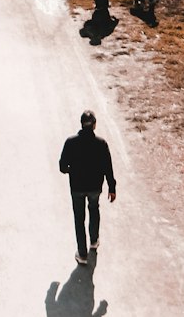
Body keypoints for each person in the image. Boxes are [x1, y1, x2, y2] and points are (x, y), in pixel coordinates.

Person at [59, 111, 116, 264]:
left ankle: (82, 254)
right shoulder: (101, 144)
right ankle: (94, 240)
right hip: (95, 187)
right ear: (95, 124)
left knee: (79, 218)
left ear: (81, 123)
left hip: (77, 187)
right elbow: (108, 167)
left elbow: (62, 167)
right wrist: (112, 187)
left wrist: (73, 170)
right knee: (94, 209)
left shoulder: (70, 142)